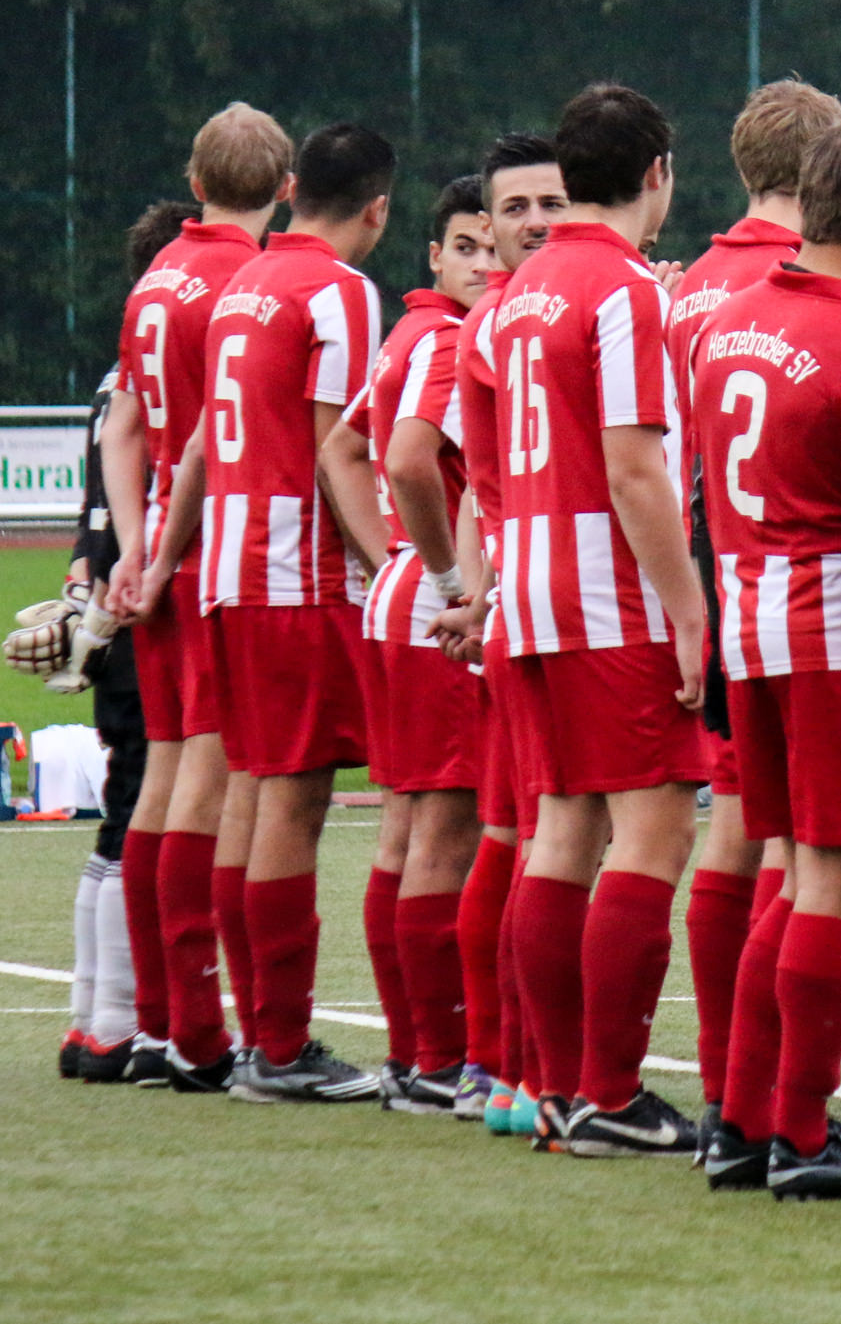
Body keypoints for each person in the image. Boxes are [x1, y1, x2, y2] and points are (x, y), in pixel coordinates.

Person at [484, 84, 713, 1157]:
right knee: (653, 831)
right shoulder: (623, 288)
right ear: (657, 173)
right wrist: (687, 607)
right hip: (609, 598)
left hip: (530, 588)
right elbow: (633, 469)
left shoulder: (518, 290)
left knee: (563, 832)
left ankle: (553, 1085)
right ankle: (610, 1095)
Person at [146, 122, 395, 1102]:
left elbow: (202, 445)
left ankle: (258, 1035)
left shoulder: (245, 282)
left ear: (295, 192)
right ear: (377, 208)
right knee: (292, 800)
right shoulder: (338, 291)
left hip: (226, 575)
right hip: (294, 579)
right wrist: (396, 569)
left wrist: (161, 561)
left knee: (249, 796)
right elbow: (340, 452)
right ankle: (282, 1047)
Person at [690, 115, 841, 1198]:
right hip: (828, 631)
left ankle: (740, 1116)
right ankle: (797, 1127)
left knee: (783, 865)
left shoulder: (726, 318)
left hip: (746, 620)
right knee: (832, 873)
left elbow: (701, 497)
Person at [665, 79, 841, 1149]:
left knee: (736, 835)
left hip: (717, 569)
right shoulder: (818, 282)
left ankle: (728, 1090)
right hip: (797, 586)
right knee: (795, 850)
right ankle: (765, 1098)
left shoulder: (692, 283)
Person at [99, 103, 294, 1092]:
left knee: (163, 781)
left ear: (195, 178)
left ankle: (155, 1022)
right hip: (221, 553)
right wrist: (171, 550)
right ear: (286, 188)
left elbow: (122, 425)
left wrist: (136, 550)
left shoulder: (157, 276)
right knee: (208, 789)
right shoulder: (244, 281)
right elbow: (217, 441)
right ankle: (197, 1032)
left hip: (167, 555)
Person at [317, 176, 497, 1112]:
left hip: (398, 598)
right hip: (437, 611)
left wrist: (389, 554)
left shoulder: (409, 331)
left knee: (406, 831)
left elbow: (341, 449)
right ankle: (435, 1056)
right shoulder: (455, 339)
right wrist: (447, 574)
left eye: (492, 245)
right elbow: (403, 458)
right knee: (446, 834)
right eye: (466, 245)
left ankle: (410, 1052)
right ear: (434, 254)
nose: (485, 261)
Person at [31, 199, 194, 1082]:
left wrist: (79, 582)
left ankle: (93, 1018)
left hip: (116, 600)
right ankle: (115, 1024)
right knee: (142, 811)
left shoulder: (119, 374)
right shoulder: (158, 374)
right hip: (151, 604)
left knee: (125, 809)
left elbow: (95, 501)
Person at [434, 133, 570, 1130]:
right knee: (542, 836)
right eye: (515, 208)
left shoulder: (507, 318)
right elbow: (466, 484)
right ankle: (521, 1069)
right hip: (561, 609)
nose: (534, 222)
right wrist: (467, 589)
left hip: (530, 604)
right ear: (486, 226)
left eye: (550, 202)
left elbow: (477, 490)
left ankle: (510, 1068)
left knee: (521, 835)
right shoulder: (495, 323)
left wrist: (477, 592)